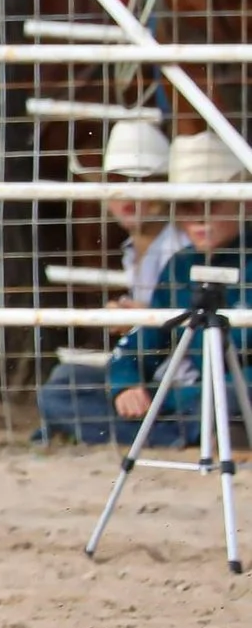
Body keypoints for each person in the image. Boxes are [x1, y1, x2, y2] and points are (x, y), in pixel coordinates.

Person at [43, 134, 252, 447]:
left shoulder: (184, 259)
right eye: (186, 205)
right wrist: (126, 383)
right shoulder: (181, 264)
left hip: (224, 391)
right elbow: (144, 340)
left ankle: (162, 432)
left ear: (244, 203)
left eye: (210, 203)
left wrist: (163, 396)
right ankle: (191, 433)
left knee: (236, 393)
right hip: (193, 395)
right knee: (64, 384)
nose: (198, 215)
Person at [36, 120, 186, 442]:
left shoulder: (182, 247)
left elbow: (194, 313)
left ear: (164, 186)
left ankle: (168, 435)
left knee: (60, 394)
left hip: (182, 373)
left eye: (141, 183)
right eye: (117, 183)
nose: (127, 197)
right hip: (154, 368)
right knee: (65, 380)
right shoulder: (137, 249)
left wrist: (143, 315)